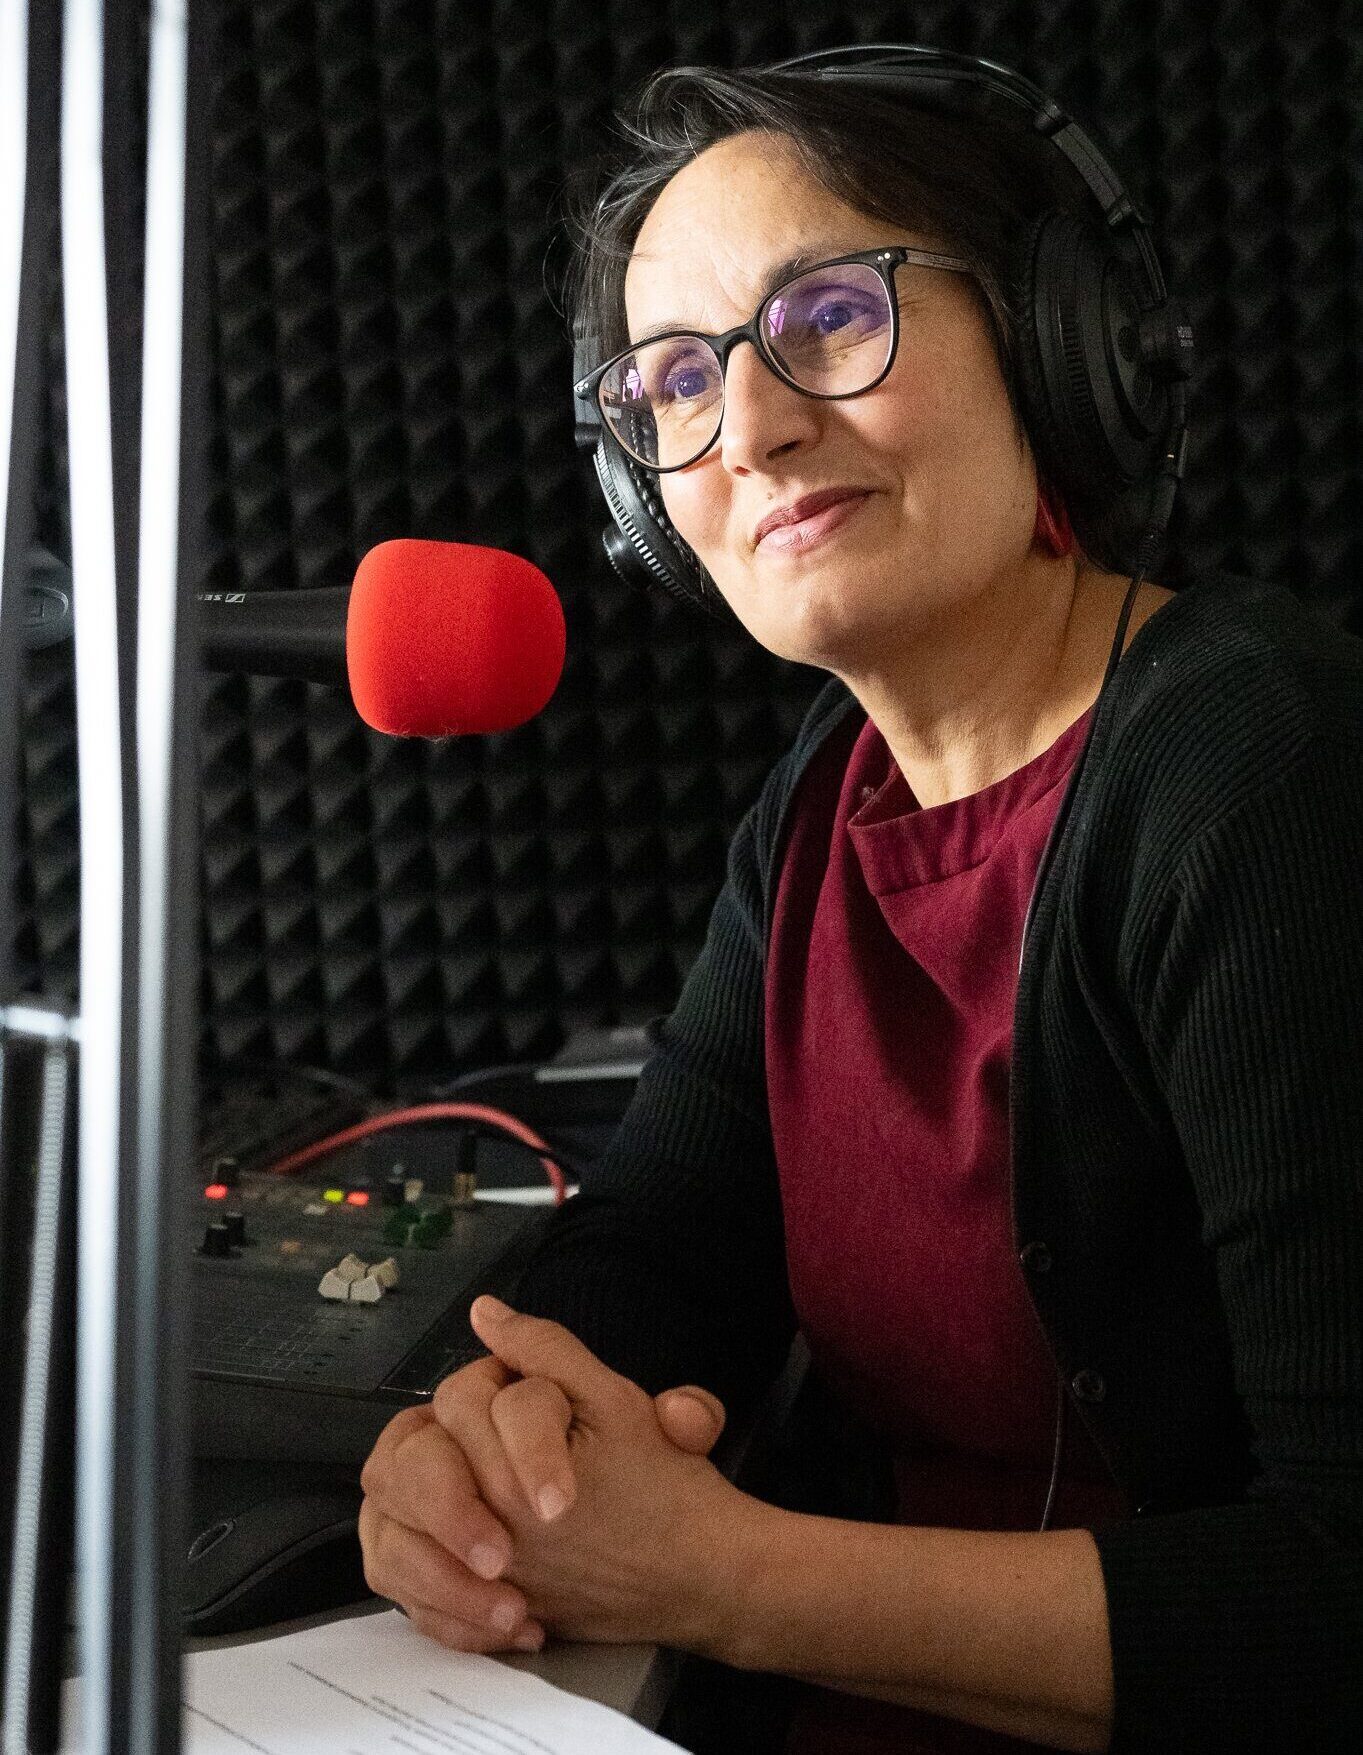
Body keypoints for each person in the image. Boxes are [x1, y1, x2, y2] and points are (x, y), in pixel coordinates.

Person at [356, 53, 1363, 1754]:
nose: (752, 427)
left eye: (829, 317)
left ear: (1053, 340)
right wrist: (492, 1445)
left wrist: (727, 1579)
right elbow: (660, 1245)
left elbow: (1342, 1595)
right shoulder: (831, 799)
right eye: (677, 380)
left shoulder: (1256, 770)